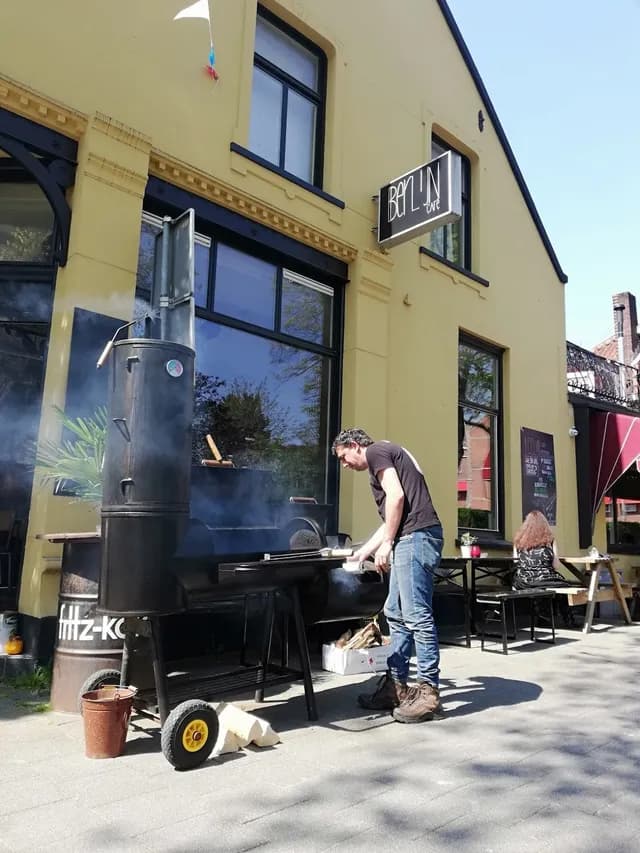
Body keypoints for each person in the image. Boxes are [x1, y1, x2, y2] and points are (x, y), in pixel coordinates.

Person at [332, 427, 444, 724]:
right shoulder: (386, 457)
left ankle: (430, 693)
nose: (344, 465)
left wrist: (388, 544)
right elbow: (391, 516)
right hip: (412, 536)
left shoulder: (377, 452)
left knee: (417, 615)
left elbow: (396, 497)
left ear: (355, 445)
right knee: (394, 612)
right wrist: (364, 552)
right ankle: (395, 686)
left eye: (343, 457)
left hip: (416, 538)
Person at [512, 511, 572, 589]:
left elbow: (516, 561)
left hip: (524, 581)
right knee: (566, 586)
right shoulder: (550, 540)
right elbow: (556, 565)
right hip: (546, 580)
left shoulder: (518, 541)